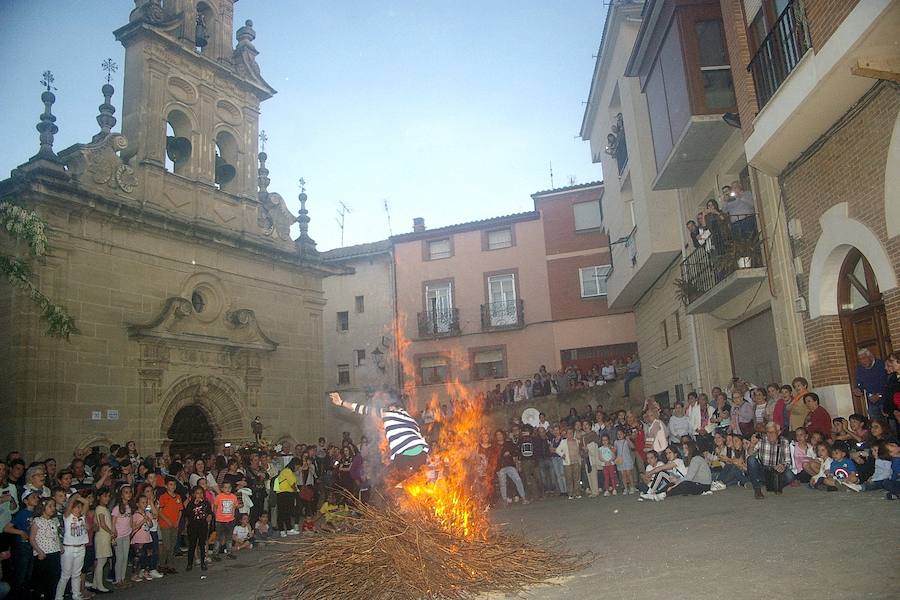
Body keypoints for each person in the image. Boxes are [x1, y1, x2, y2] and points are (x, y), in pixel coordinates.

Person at [329, 391, 429, 484]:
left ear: (393, 407)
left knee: (385, 485)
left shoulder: (388, 413)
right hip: (422, 456)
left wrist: (341, 402)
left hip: (406, 457)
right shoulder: (410, 419)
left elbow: (363, 409)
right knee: (405, 482)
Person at [56, 493, 90, 600]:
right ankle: (59, 597)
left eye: (80, 507)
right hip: (69, 548)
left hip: (80, 547)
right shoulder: (67, 517)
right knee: (65, 575)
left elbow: (87, 503)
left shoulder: (82, 517)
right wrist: (74, 497)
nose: (78, 510)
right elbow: (70, 504)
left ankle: (76, 595)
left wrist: (79, 498)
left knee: (76, 574)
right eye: (76, 507)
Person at [748, 424, 792, 500]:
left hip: (775, 470)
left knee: (790, 476)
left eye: (772, 432)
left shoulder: (784, 441)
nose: (769, 435)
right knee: (751, 459)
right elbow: (750, 453)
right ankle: (757, 489)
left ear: (778, 432)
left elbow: (788, 461)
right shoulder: (761, 440)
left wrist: (783, 465)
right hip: (763, 469)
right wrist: (752, 444)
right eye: (768, 432)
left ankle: (772, 484)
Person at [30, 497, 62, 600]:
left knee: (53, 579)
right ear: (43, 507)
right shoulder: (37, 521)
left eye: (54, 506)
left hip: (54, 553)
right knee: (41, 580)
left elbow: (56, 536)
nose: (53, 508)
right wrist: (39, 551)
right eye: (50, 506)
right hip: (43, 555)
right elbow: (32, 539)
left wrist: (60, 546)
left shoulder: (53, 521)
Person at [494, 430, 528, 505]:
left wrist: (512, 456)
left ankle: (523, 498)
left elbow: (515, 452)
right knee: (502, 483)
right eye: (497, 435)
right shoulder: (495, 446)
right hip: (500, 467)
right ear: (496, 437)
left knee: (518, 479)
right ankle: (505, 500)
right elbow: (494, 457)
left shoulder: (508, 443)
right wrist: (503, 454)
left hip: (510, 465)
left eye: (500, 434)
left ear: (503, 435)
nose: (499, 436)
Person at [157, 477, 183, 574]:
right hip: (165, 524)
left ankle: (170, 565)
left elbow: (180, 510)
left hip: (175, 524)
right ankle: (162, 564)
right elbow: (160, 511)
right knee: (166, 545)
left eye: (174, 485)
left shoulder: (178, 497)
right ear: (166, 486)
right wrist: (167, 520)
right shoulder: (163, 497)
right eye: (170, 484)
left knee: (172, 545)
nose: (173, 487)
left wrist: (177, 521)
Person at [183, 486, 212, 571]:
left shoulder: (206, 503)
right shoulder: (191, 503)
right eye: (197, 493)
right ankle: (189, 563)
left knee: (202, 545)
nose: (199, 495)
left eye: (201, 493)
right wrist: (194, 504)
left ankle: (203, 562)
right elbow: (186, 513)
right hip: (192, 526)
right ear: (193, 494)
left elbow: (209, 511)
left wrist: (209, 515)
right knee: (192, 545)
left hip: (202, 526)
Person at [853, 348, 888, 420]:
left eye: (864, 358)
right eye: (860, 359)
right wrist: (858, 389)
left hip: (886, 399)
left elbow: (887, 382)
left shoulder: (881, 365)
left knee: (891, 425)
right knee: (876, 423)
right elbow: (860, 384)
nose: (862, 361)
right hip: (872, 402)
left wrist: (879, 395)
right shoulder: (859, 369)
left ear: (871, 357)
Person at [91, 488, 114, 593]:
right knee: (101, 562)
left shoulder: (103, 508)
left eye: (108, 496)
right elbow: (102, 524)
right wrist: (111, 532)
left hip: (104, 537)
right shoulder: (100, 508)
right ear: (99, 497)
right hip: (102, 537)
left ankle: (96, 584)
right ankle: (99, 585)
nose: (107, 498)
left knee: (102, 561)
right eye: (105, 496)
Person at [110, 485, 133, 586]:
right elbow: (113, 523)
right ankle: (118, 580)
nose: (128, 494)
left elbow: (130, 521)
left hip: (126, 535)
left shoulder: (129, 507)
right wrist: (113, 535)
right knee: (119, 558)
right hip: (118, 536)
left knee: (125, 557)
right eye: (126, 492)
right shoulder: (117, 508)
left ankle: (122, 578)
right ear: (121, 494)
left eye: (129, 492)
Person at [212, 481, 238, 561]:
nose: (228, 489)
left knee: (229, 538)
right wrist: (216, 516)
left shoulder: (233, 497)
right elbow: (215, 506)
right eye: (225, 487)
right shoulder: (219, 497)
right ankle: (215, 554)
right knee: (219, 538)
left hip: (230, 520)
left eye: (229, 487)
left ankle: (229, 553)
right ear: (222, 489)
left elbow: (235, 506)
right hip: (220, 521)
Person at [274, 458, 299, 537]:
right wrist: (297, 492)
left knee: (287, 512)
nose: (298, 468)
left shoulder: (288, 471)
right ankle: (282, 529)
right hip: (284, 493)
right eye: (298, 466)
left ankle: (288, 528)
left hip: (287, 493)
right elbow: (292, 484)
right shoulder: (287, 471)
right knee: (282, 512)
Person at [614, 428, 636, 495]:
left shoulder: (626, 441)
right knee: (623, 475)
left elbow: (633, 447)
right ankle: (626, 488)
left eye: (621, 434)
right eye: (618, 434)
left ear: (624, 434)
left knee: (629, 474)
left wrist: (628, 439)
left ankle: (632, 487)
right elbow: (614, 451)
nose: (619, 435)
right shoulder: (616, 442)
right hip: (620, 460)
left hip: (627, 459)